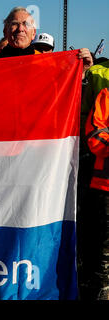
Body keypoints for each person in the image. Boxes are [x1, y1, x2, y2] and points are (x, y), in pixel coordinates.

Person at [0, 6, 93, 79]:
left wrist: (81, 73)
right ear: (5, 31)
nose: (20, 29)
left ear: (33, 33)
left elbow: (66, 94)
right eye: (15, 23)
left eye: (26, 24)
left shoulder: (51, 68)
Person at [85, 87, 109, 300]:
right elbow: (94, 133)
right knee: (105, 249)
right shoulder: (107, 94)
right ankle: (103, 291)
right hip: (106, 184)